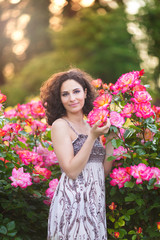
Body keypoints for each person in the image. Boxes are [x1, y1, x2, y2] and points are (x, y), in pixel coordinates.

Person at [40, 68, 114, 240]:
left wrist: (110, 139)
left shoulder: (91, 125)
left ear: (85, 92)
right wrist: (93, 137)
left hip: (94, 206)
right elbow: (72, 171)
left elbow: (101, 172)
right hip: (72, 206)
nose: (72, 98)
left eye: (76, 91)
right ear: (59, 99)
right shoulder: (61, 125)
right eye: (65, 94)